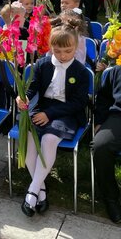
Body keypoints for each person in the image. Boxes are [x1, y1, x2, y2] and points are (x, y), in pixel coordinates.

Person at [16, 24, 89, 217]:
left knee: (49, 140)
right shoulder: (43, 64)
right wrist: (23, 97)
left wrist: (50, 114)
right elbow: (33, 87)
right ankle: (41, 191)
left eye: (68, 51)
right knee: (31, 144)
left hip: (66, 113)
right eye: (57, 51)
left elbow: (79, 102)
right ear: (50, 47)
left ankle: (32, 191)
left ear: (76, 48)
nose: (63, 55)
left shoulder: (81, 72)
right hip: (41, 108)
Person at [93, 65, 121, 224]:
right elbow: (103, 97)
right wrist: (100, 121)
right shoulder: (116, 70)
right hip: (118, 117)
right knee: (101, 146)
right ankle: (111, 198)